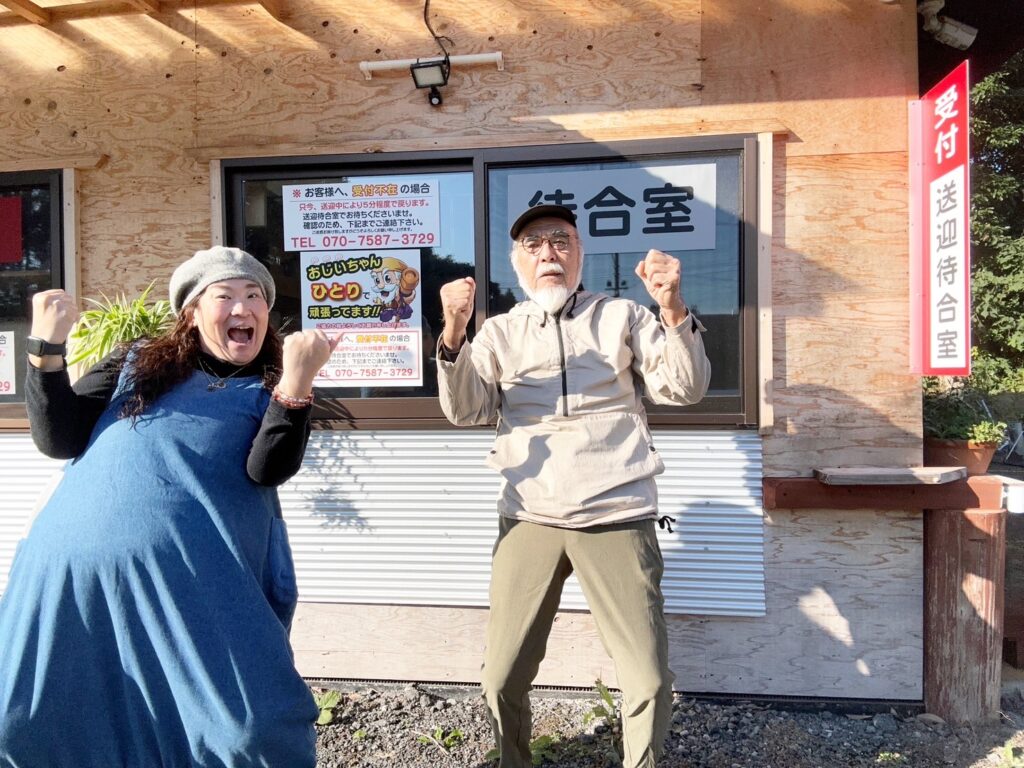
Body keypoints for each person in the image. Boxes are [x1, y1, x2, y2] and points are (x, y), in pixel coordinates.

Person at [0, 246, 339, 768]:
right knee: (31, 720)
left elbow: (267, 469)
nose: (243, 307)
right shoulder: (135, 362)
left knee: (250, 729)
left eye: (255, 296)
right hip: (72, 585)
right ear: (192, 312)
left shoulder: (270, 385)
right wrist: (46, 349)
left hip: (195, 588)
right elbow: (59, 437)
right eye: (225, 295)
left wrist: (296, 384)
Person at [436, 205, 711, 768]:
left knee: (648, 678)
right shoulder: (500, 331)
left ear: (580, 253)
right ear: (516, 263)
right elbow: (466, 411)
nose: (548, 254)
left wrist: (672, 309)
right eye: (533, 245)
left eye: (560, 242)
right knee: (500, 676)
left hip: (617, 509)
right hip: (529, 512)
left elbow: (683, 389)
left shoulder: (623, 316)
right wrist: (455, 333)